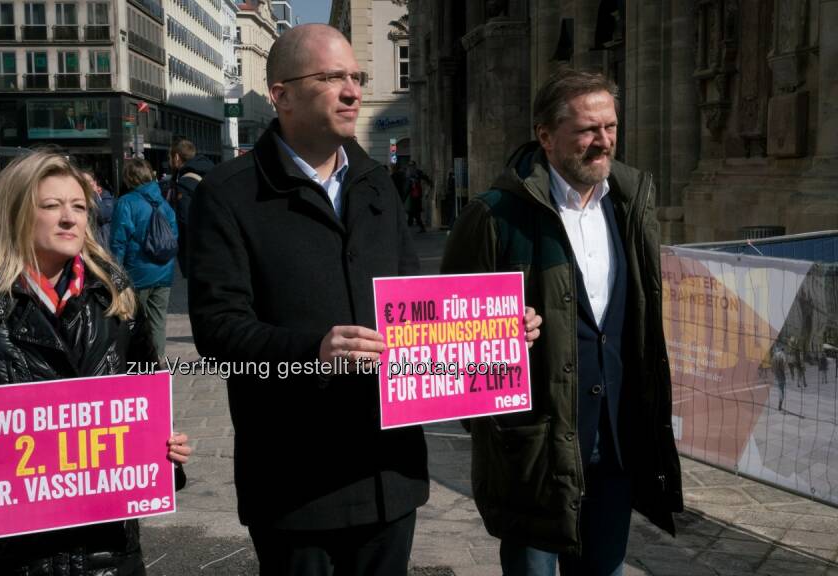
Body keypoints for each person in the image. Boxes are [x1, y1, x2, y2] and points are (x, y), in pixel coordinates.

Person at [188, 24, 542, 576]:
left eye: (356, 76)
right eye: (332, 77)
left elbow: (415, 310)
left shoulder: (377, 182)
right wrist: (313, 350)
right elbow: (217, 333)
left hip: (388, 474)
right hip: (295, 484)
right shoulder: (229, 193)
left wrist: (489, 333)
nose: (352, 90)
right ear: (280, 94)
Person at [441, 68, 683, 575]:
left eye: (611, 127)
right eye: (587, 130)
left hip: (616, 438)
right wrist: (494, 339)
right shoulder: (495, 216)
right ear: (546, 136)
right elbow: (447, 345)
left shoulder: (630, 204)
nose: (603, 142)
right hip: (535, 451)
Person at [0, 151, 191, 575]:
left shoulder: (118, 304)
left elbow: (146, 403)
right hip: (10, 558)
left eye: (78, 207)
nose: (69, 219)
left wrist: (166, 452)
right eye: (51, 206)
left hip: (106, 555)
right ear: (18, 213)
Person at [109, 159, 176, 365]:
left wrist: (114, 272)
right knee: (158, 320)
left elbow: (119, 241)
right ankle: (158, 361)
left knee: (131, 322)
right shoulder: (163, 202)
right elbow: (173, 236)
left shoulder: (126, 202)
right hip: (163, 272)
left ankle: (136, 363)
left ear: (129, 178)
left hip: (136, 274)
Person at [168, 138, 214, 278]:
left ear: (176, 157)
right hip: (213, 243)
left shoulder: (184, 183)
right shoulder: (209, 171)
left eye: (170, 157)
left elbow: (185, 220)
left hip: (197, 252)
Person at [83, 171, 115, 250]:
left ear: (94, 182)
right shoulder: (78, 197)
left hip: (101, 243)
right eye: (83, 182)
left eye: (88, 181)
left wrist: (93, 194)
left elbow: (103, 215)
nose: (86, 184)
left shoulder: (104, 195)